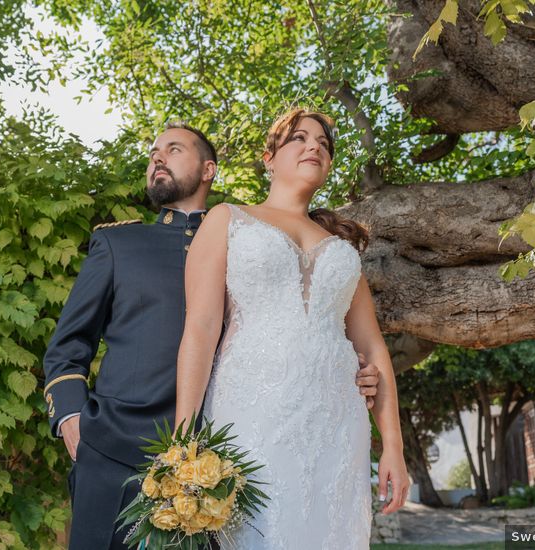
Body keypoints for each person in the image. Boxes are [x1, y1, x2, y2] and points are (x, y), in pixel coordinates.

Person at [41, 121, 382, 550]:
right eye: (154, 152)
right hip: (115, 447)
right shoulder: (120, 245)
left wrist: (350, 370)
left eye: (174, 149)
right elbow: (68, 347)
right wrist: (74, 422)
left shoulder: (244, 235)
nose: (157, 157)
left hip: (222, 456)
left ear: (209, 170)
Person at [174, 108, 411, 548]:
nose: (314, 146)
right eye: (299, 138)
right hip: (250, 413)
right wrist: (184, 441)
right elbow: (201, 328)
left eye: (323, 143)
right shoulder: (228, 219)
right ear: (269, 158)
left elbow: (374, 348)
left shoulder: (343, 252)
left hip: (338, 421)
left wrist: (392, 446)